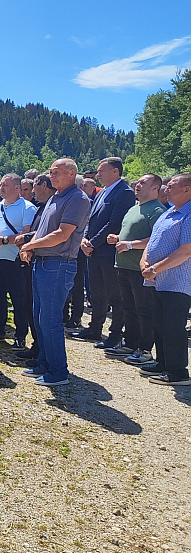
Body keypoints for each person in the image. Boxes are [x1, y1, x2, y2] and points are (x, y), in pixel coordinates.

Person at [19, 159, 91, 386]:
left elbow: (62, 234)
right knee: (40, 318)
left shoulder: (77, 199)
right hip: (43, 262)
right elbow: (43, 230)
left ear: (71, 173)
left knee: (50, 320)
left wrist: (29, 246)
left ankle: (59, 372)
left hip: (59, 264)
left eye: (57, 172)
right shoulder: (55, 197)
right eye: (51, 171)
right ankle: (45, 363)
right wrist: (32, 248)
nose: (52, 175)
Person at [70, 157, 136, 348]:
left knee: (115, 294)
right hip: (94, 250)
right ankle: (95, 328)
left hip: (108, 251)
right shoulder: (102, 193)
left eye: (101, 171)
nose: (97, 175)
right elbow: (91, 217)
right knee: (97, 292)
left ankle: (115, 333)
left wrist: (92, 242)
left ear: (115, 171)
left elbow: (114, 222)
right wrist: (84, 239)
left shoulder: (125, 193)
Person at [137, 173, 191, 386]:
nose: (166, 189)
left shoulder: (188, 215)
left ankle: (178, 371)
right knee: (158, 323)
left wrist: (156, 268)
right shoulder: (169, 212)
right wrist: (144, 261)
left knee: (173, 326)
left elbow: (186, 251)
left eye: (171, 186)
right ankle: (163, 363)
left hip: (177, 281)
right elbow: (152, 242)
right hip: (158, 279)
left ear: (187, 189)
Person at [105, 174, 165, 364]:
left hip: (141, 268)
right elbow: (129, 233)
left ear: (155, 188)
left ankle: (145, 349)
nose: (137, 186)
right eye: (137, 183)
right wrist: (117, 238)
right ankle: (130, 343)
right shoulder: (134, 208)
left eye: (143, 183)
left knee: (144, 310)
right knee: (128, 307)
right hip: (123, 265)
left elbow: (157, 239)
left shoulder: (157, 210)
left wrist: (130, 245)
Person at [0, 173, 37, 349]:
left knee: (19, 300)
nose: (1, 188)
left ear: (17, 188)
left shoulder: (27, 208)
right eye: (1, 185)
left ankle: (20, 335)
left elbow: (28, 236)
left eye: (6, 185)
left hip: (15, 260)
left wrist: (5, 240)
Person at [14, 173, 56, 361]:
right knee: (30, 304)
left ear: (44, 185)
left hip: (48, 261)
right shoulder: (43, 205)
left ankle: (43, 351)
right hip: (33, 259)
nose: (32, 191)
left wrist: (27, 239)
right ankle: (37, 345)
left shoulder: (52, 204)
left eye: (34, 186)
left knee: (40, 309)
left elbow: (49, 232)